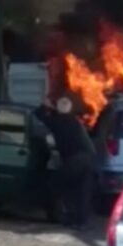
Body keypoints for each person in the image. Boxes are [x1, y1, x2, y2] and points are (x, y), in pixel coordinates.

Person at [40, 97, 97, 227]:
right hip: (87, 159)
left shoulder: (55, 121)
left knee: (58, 187)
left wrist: (45, 106)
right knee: (83, 191)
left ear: (58, 109)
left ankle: (65, 217)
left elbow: (39, 115)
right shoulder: (76, 122)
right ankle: (81, 222)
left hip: (73, 160)